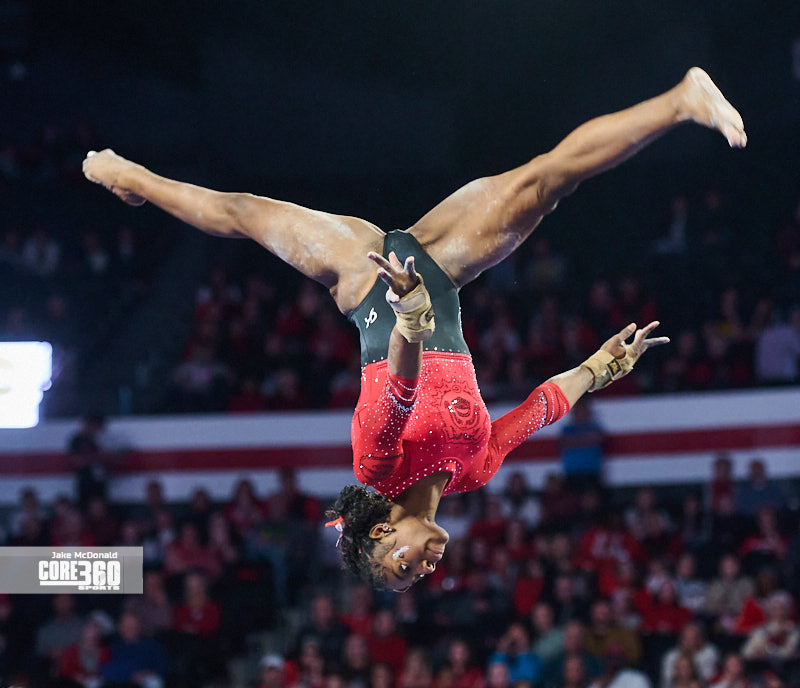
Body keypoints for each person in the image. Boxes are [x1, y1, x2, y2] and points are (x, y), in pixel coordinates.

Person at [84, 67, 745, 589]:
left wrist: (409, 316)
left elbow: (400, 390)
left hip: (366, 278)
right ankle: (681, 101)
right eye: (418, 577)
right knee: (545, 182)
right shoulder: (474, 470)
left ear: (380, 534)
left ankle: (133, 177)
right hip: (439, 271)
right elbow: (541, 409)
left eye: (403, 567)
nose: (424, 570)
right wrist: (600, 368)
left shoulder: (377, 467)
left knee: (243, 212)